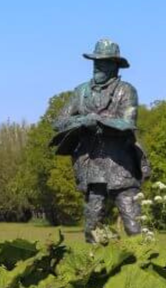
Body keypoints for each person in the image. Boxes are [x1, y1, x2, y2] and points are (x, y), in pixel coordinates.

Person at [52, 39, 150, 242]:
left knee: (134, 227)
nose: (97, 65)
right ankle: (96, 270)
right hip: (92, 169)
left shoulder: (126, 90)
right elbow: (59, 122)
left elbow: (127, 122)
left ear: (115, 65)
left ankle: (143, 264)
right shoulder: (81, 92)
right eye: (95, 61)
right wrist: (82, 120)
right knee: (92, 228)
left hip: (121, 166)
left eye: (103, 61)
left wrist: (98, 121)